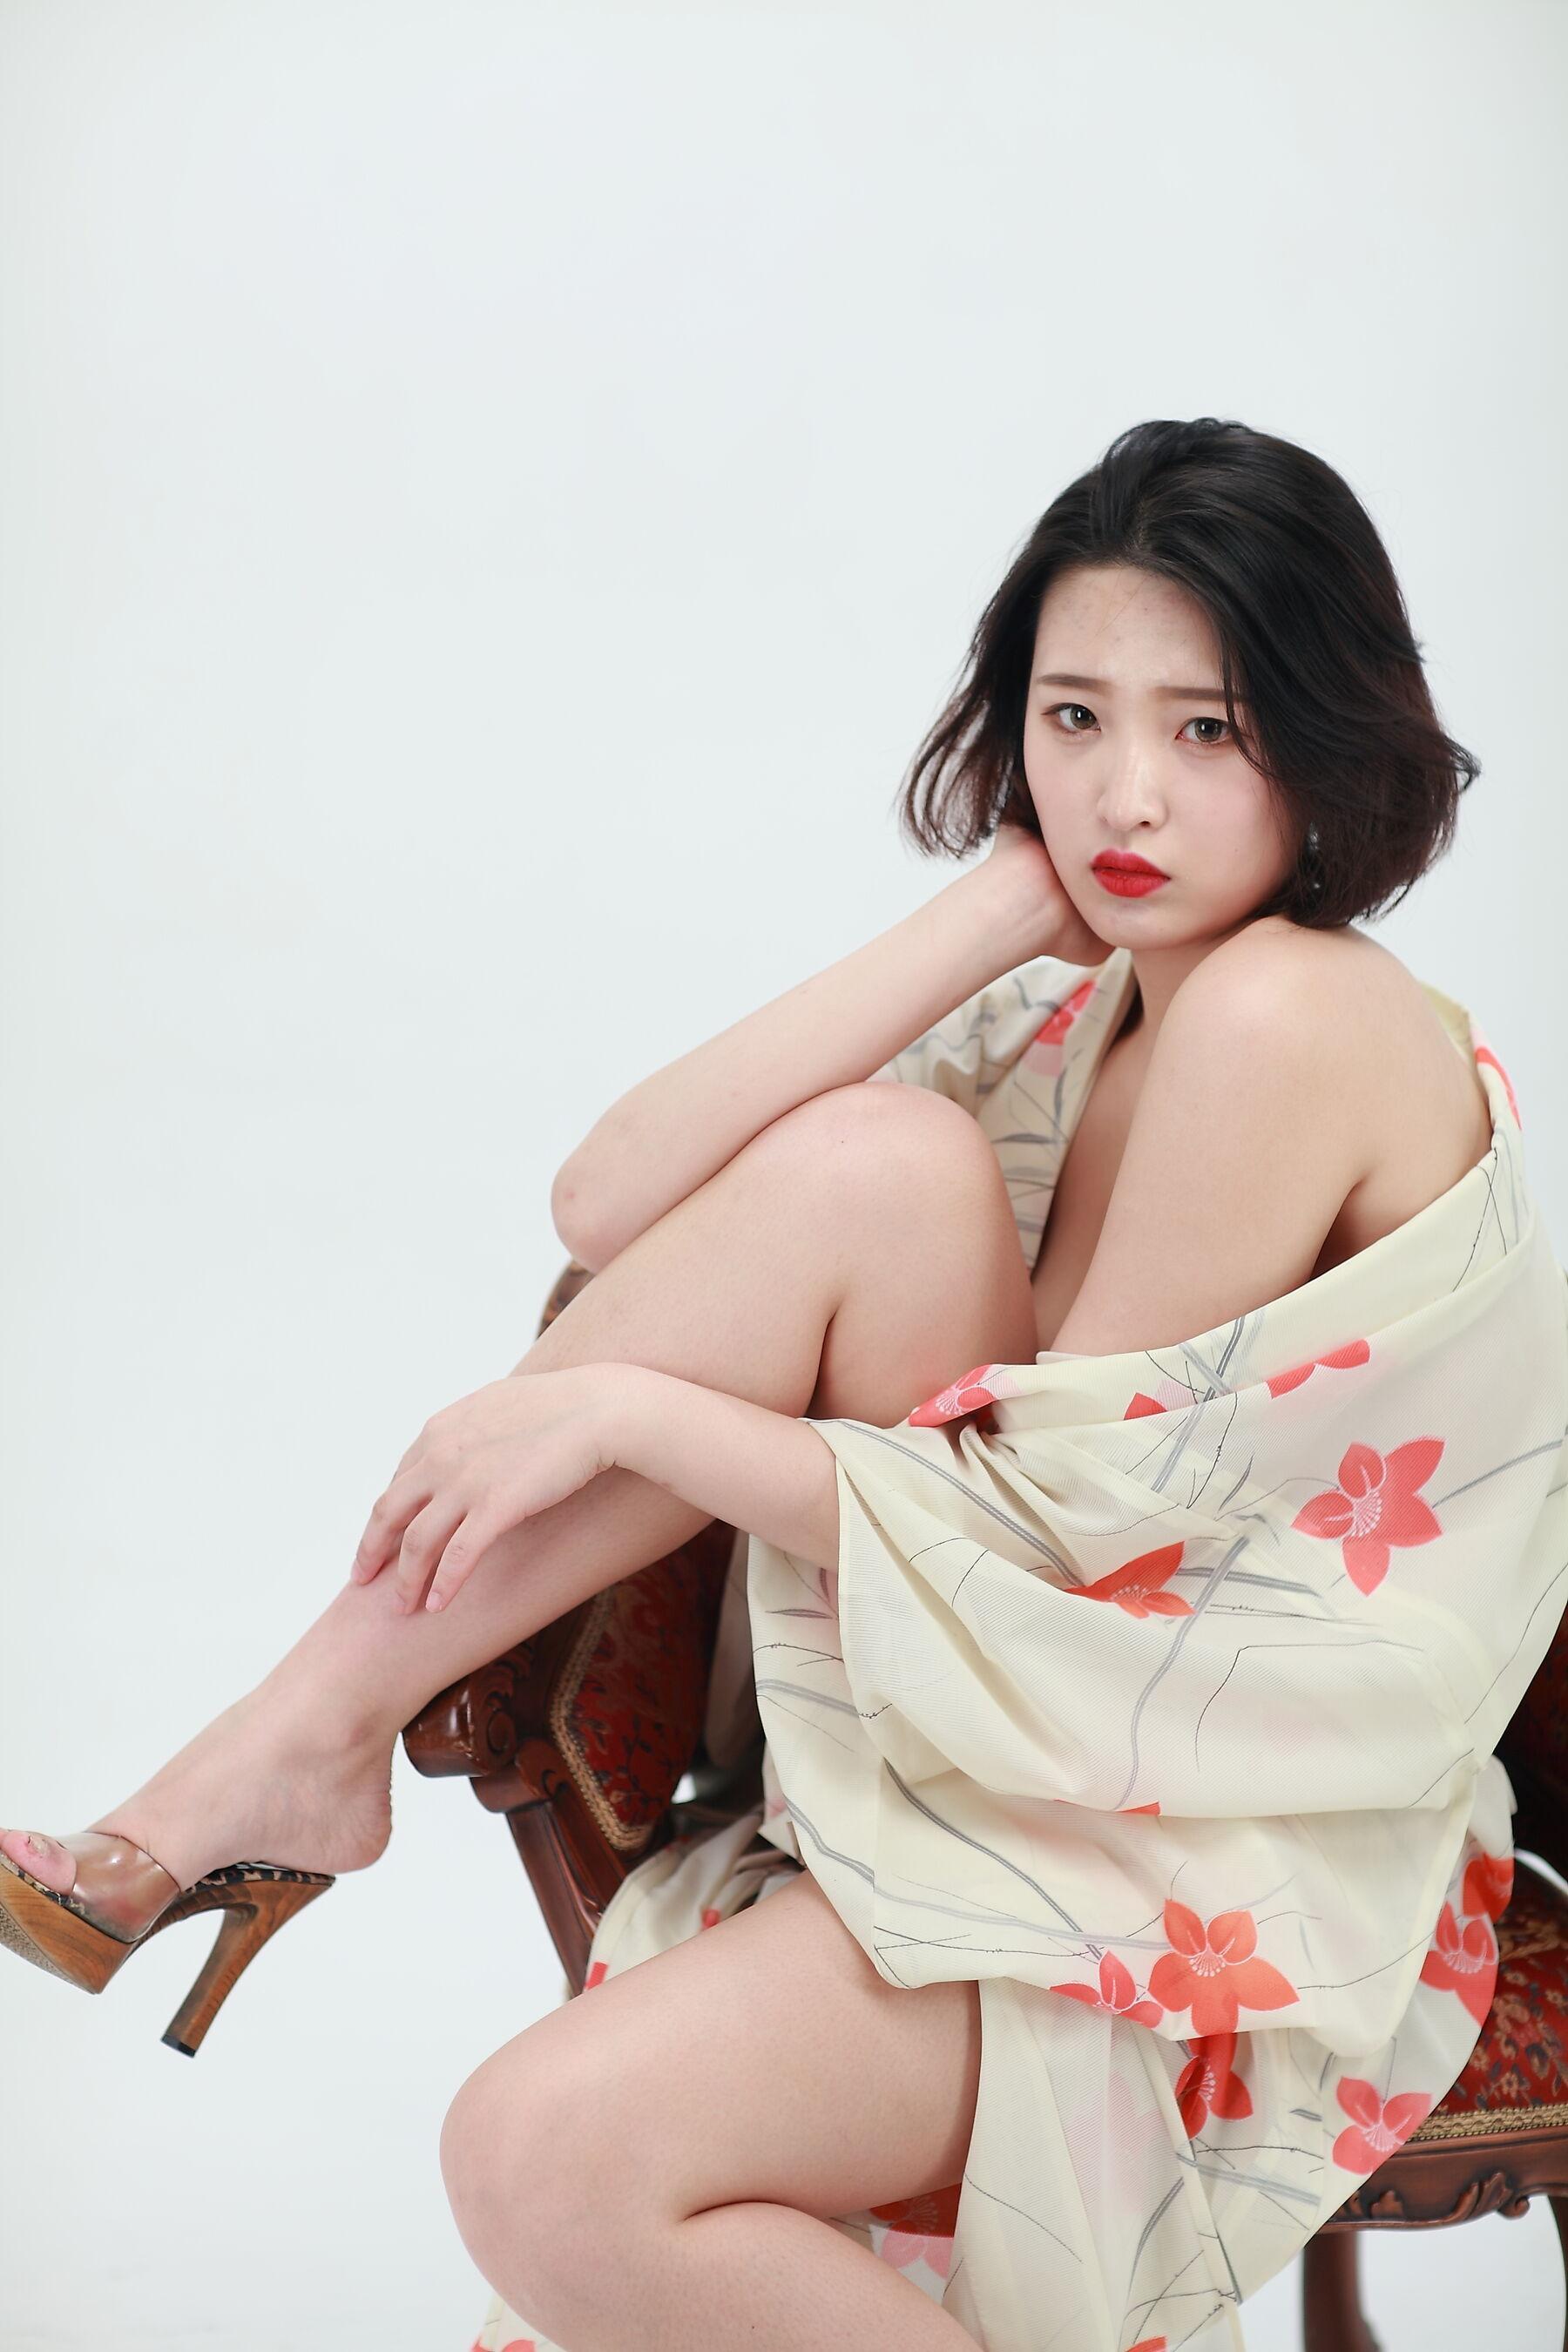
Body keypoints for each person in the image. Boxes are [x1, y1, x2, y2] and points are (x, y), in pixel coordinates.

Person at [3, 417, 1558, 2352]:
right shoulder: (1088, 1008)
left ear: (1327, 736)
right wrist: (994, 908)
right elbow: (606, 1203)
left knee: (542, 2164)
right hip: (1019, 1735)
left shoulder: (1286, 1011)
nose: (1126, 794)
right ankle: (304, 1734)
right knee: (879, 1165)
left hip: (1206, 1851)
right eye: (1073, 719)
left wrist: (633, 1419)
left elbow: (1043, 1536)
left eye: (1210, 730)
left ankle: (295, 1753)